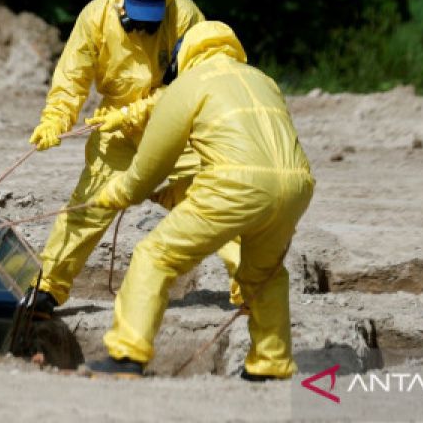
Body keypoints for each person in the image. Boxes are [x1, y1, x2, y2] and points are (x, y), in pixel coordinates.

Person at [84, 21, 315, 380]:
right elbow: (259, 157)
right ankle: (270, 363)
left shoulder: (191, 84)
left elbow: (151, 164)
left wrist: (119, 193)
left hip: (237, 186)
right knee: (264, 274)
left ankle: (126, 356)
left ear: (182, 57)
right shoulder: (261, 79)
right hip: (296, 186)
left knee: (154, 256)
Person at [25, 0, 241, 318]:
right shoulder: (96, 17)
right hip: (117, 133)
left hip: (176, 127)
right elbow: (71, 79)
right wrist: (55, 119)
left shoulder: (185, 16)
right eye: (137, 14)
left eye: (151, 17)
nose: (143, 25)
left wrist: (138, 111)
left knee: (214, 196)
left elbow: (195, 82)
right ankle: (47, 288)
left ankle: (249, 287)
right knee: (89, 208)